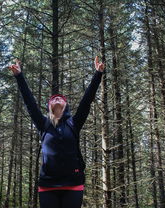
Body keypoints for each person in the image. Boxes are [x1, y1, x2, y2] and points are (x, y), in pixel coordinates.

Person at [9, 56, 105, 208]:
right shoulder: (44, 124)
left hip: (73, 184)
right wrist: (19, 76)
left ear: (65, 105)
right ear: (50, 107)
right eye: (53, 99)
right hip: (48, 185)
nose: (57, 99)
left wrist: (97, 74)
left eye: (60, 98)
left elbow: (86, 101)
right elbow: (29, 103)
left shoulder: (74, 123)